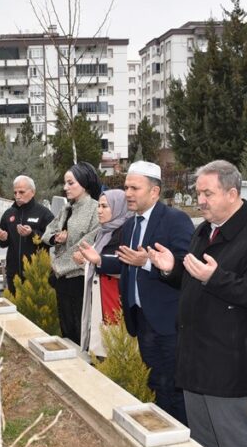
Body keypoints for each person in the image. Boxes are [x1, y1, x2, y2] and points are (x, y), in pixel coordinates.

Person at [150, 160, 247, 447]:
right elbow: (193, 279)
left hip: (227, 362)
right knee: (203, 445)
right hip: (195, 356)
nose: (201, 201)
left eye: (207, 193)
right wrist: (172, 268)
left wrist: (216, 278)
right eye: (198, 193)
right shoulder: (206, 229)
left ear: (232, 193)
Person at [81, 162, 194, 424]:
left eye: (134, 188)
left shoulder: (175, 220)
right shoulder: (131, 225)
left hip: (168, 323)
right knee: (155, 384)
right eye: (126, 187)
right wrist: (99, 260)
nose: (128, 193)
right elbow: (126, 262)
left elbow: (185, 268)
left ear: (154, 192)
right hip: (141, 320)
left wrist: (147, 262)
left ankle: (180, 442)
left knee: (173, 391)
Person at [42, 162, 100, 344]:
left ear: (84, 183)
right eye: (65, 183)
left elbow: (88, 243)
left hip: (80, 278)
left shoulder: (95, 209)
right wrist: (55, 239)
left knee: (81, 328)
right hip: (62, 279)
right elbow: (47, 232)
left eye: (70, 183)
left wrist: (59, 263)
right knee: (66, 327)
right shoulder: (66, 208)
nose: (65, 187)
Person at [73, 189, 129, 358]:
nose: (99, 210)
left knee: (114, 348)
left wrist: (97, 260)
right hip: (101, 297)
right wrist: (87, 261)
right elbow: (97, 260)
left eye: (104, 206)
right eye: (98, 206)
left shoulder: (126, 231)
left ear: (118, 207)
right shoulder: (103, 231)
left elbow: (125, 263)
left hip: (114, 300)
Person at [0, 175, 53, 294]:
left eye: (21, 192)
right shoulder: (9, 214)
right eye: (15, 192)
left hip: (37, 273)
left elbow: (52, 239)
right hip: (14, 274)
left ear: (32, 192)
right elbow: (2, 242)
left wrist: (32, 234)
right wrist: (2, 238)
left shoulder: (44, 213)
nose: (17, 195)